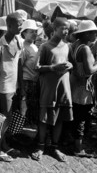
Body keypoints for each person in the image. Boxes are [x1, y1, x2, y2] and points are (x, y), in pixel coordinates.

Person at [31, 18, 73, 162]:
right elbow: (35, 67)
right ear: (54, 29)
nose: (66, 31)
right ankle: (40, 146)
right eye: (63, 28)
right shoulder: (45, 47)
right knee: (44, 118)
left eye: (67, 28)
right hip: (48, 86)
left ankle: (55, 147)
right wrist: (52, 68)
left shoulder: (68, 46)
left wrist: (70, 66)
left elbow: (72, 62)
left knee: (60, 117)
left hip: (63, 85)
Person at [0, 12, 24, 162]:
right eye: (19, 24)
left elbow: (20, 65)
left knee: (6, 117)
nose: (21, 26)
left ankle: (3, 144)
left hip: (13, 86)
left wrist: (21, 87)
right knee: (5, 118)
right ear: (9, 26)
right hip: (3, 87)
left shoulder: (19, 41)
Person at [70, 20, 97, 157]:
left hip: (75, 86)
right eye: (94, 32)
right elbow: (89, 70)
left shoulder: (75, 45)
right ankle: (78, 148)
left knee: (76, 116)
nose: (96, 34)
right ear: (86, 34)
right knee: (82, 118)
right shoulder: (86, 49)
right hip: (83, 88)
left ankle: (72, 142)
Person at [18, 19, 39, 126]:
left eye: (35, 31)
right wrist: (22, 88)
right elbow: (19, 68)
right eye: (31, 31)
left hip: (33, 82)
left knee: (30, 109)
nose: (34, 34)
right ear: (24, 33)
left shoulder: (34, 46)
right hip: (26, 82)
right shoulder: (23, 48)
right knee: (23, 110)